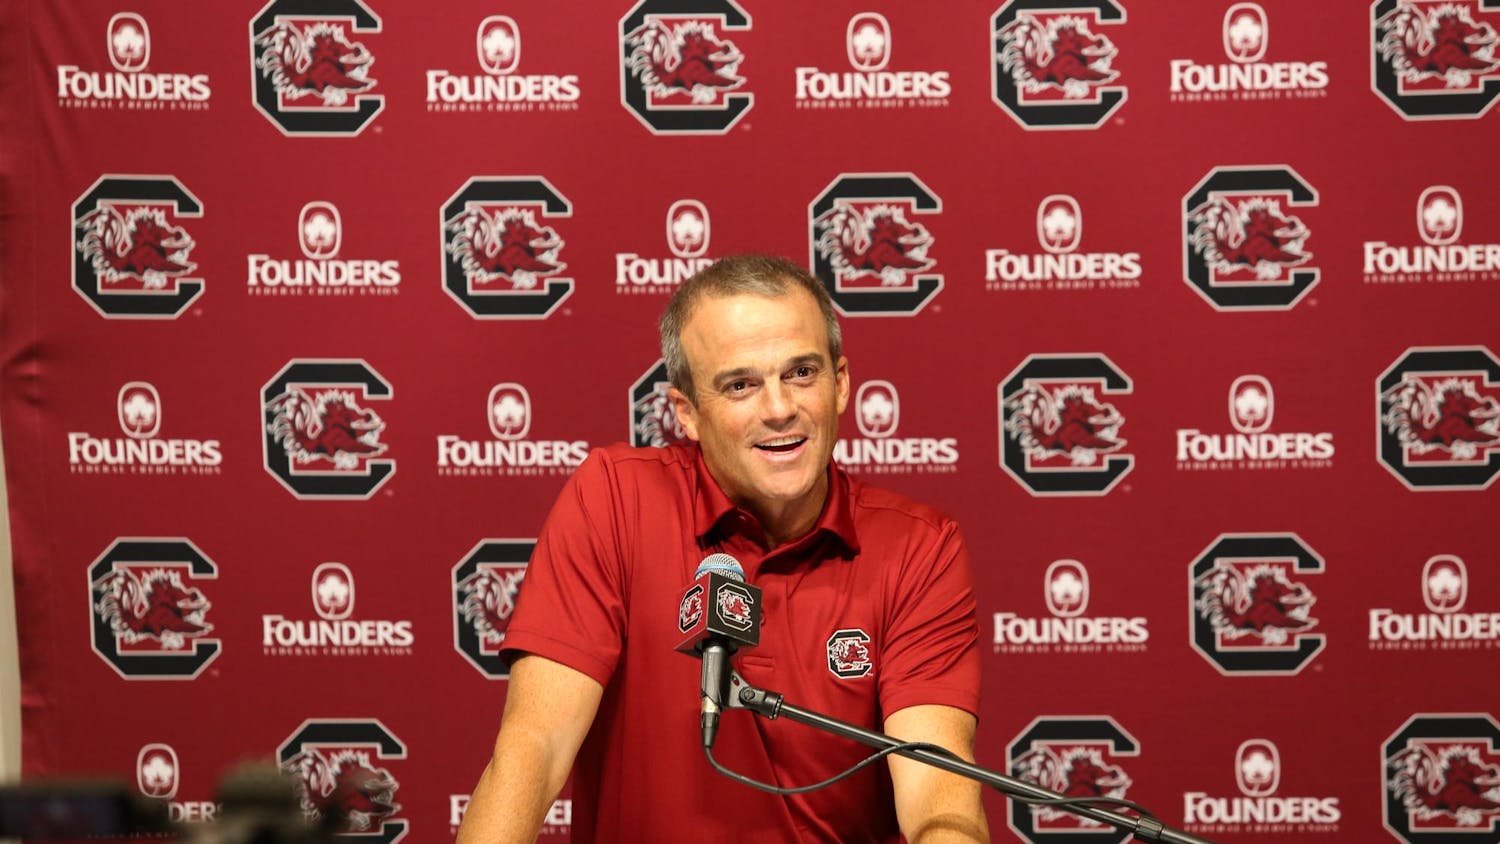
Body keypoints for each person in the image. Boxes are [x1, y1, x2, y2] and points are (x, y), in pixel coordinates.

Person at [457, 255, 987, 843]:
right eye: (741, 385)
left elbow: (938, 785)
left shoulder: (919, 546)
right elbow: (535, 746)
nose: (779, 408)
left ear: (841, 385)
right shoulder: (614, 497)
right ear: (687, 412)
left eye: (802, 373)